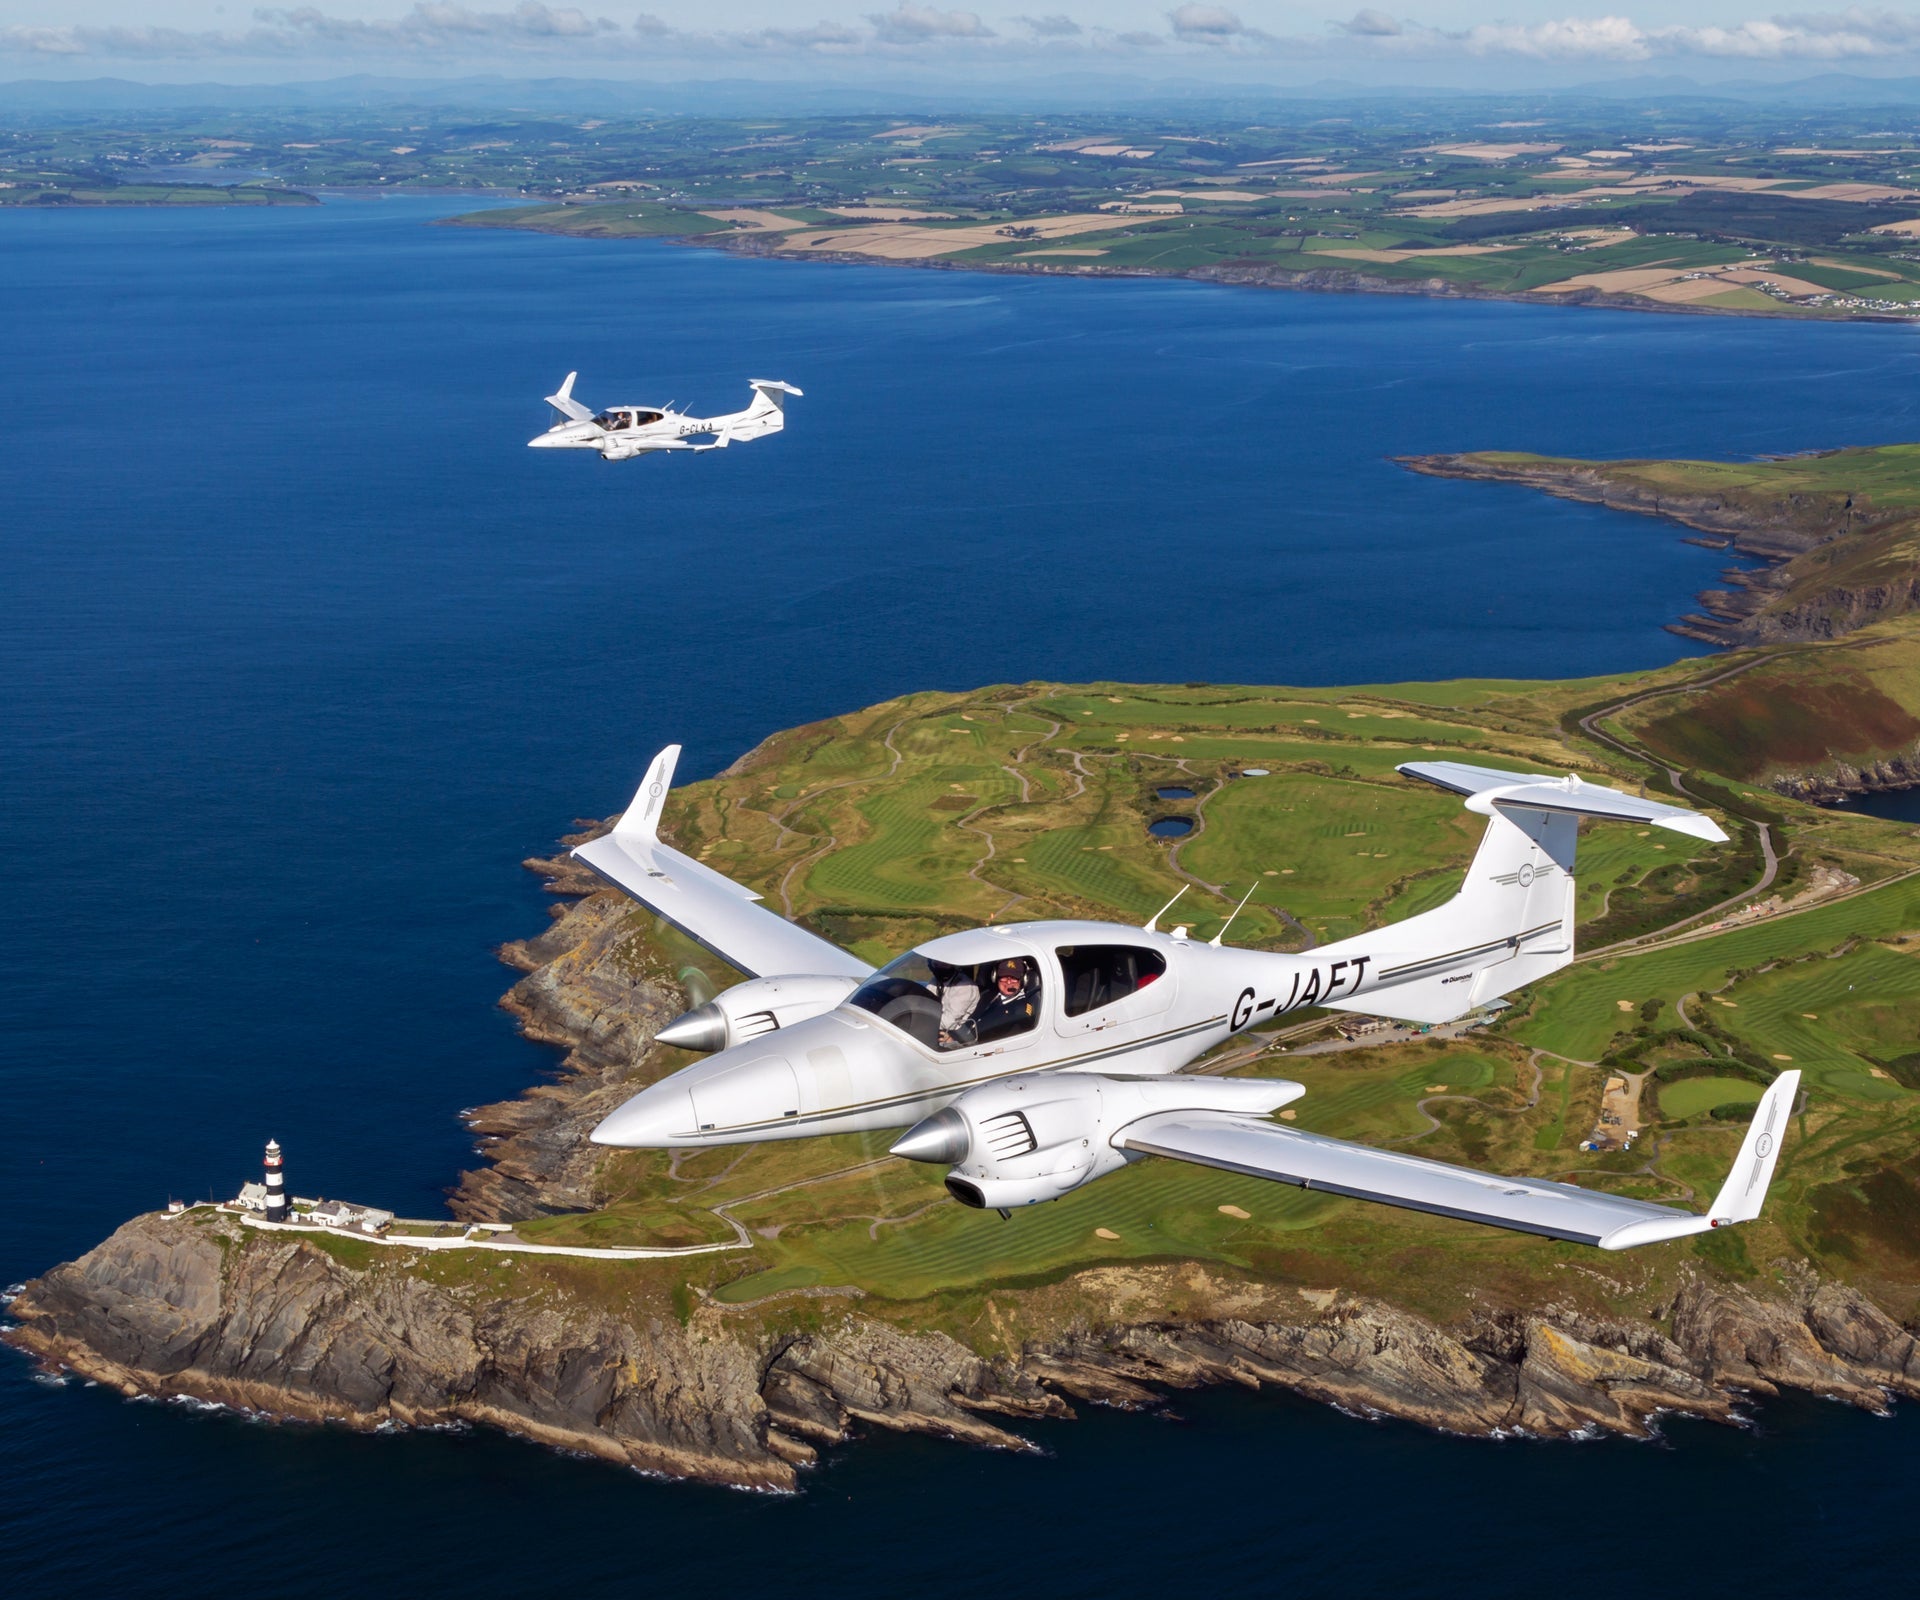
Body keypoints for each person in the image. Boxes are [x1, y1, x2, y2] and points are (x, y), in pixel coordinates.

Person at [969, 957, 1037, 1044]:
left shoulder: (1021, 1010)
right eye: (1004, 977)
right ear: (995, 977)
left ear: (1023, 980)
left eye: (1014, 978)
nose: (1008, 982)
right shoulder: (987, 995)